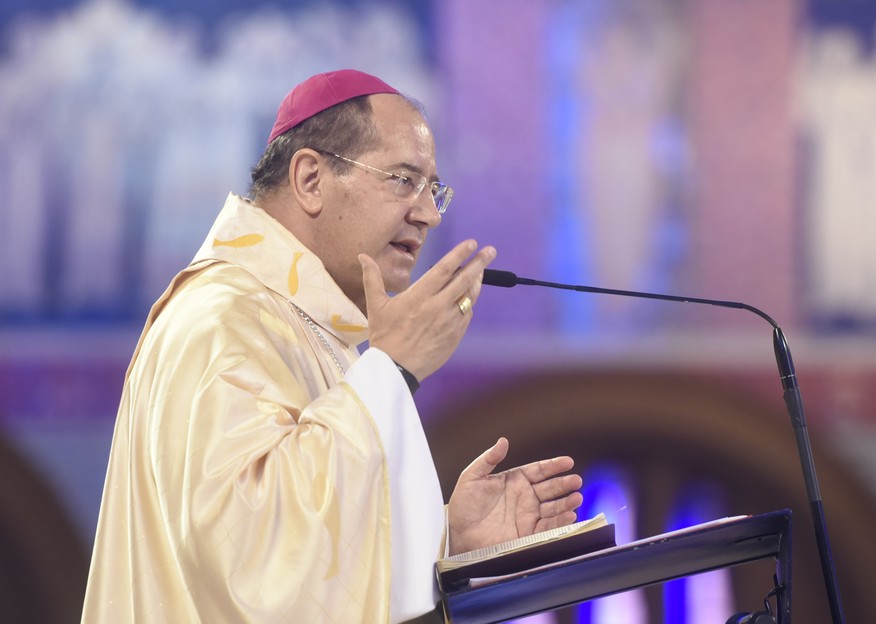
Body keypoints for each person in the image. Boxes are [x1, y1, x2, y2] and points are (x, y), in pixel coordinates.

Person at [81, 69, 583, 623]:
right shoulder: (220, 319)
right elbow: (253, 561)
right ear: (311, 179)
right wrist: (393, 370)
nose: (429, 214)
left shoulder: (311, 327)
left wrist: (446, 541)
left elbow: (316, 549)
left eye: (433, 189)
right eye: (403, 180)